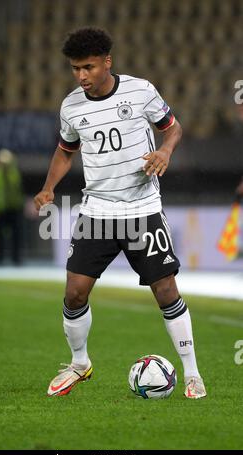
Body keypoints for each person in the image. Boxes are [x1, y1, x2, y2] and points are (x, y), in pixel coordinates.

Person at [34, 27, 206, 399]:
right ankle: (80, 363)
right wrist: (49, 187)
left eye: (89, 67)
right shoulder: (71, 106)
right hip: (96, 211)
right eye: (76, 68)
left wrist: (164, 152)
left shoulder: (141, 91)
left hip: (142, 209)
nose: (81, 76)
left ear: (107, 62)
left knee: (165, 290)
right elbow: (66, 150)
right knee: (75, 294)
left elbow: (173, 129)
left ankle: (192, 374)